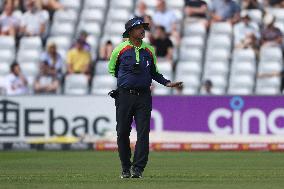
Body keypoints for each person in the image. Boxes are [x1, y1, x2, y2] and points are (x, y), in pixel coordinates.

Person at [108, 17, 182, 179]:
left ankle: (138, 169)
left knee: (143, 133)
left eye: (143, 27)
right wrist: (128, 81)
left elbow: (153, 72)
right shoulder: (120, 49)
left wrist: (166, 83)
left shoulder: (149, 50)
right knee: (122, 133)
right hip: (125, 96)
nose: (142, 30)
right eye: (138, 28)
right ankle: (125, 167)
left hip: (143, 97)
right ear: (130, 32)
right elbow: (112, 70)